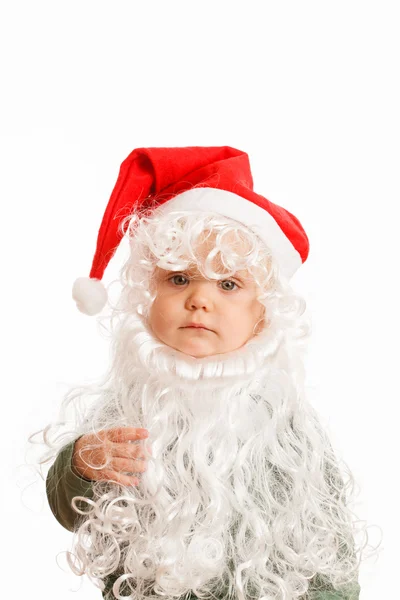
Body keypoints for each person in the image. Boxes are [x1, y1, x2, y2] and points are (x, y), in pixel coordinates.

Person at [39, 146, 367, 600]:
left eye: (228, 284)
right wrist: (79, 465)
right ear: (146, 294)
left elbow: (329, 546)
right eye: (178, 279)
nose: (199, 300)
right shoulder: (128, 409)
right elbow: (71, 509)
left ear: (262, 315)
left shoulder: (282, 424)